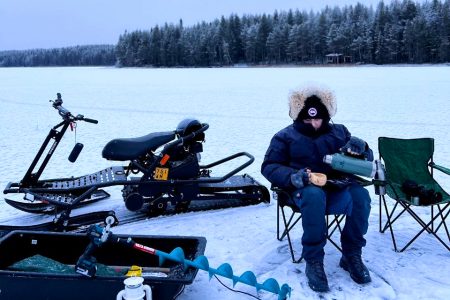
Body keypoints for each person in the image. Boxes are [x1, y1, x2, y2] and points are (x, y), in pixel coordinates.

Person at [261, 85, 373, 292]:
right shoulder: (284, 136)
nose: (313, 123)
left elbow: (364, 159)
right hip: (300, 192)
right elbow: (269, 166)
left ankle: (351, 255)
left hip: (336, 188)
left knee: (361, 196)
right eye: (307, 119)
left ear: (326, 116)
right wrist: (292, 177)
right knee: (313, 195)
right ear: (298, 118)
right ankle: (314, 261)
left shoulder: (340, 132)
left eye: (318, 119)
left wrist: (363, 148)